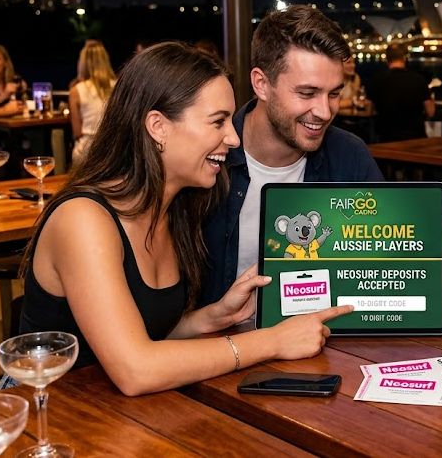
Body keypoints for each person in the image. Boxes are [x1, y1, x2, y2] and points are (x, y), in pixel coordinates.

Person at [18, 42, 352, 396]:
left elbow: (146, 337)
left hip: (114, 407)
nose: (233, 138)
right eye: (218, 121)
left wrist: (208, 318)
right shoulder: (82, 219)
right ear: (158, 127)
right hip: (46, 408)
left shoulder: (176, 209)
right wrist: (272, 341)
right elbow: (136, 370)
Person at [201, 5, 383, 306]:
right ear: (261, 84)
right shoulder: (206, 157)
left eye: (334, 94)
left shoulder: (350, 157)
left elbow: (381, 267)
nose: (325, 112)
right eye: (307, 93)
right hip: (216, 334)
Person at [367, 43, 435, 142]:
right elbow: (430, 112)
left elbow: (369, 110)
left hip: (386, 139)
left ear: (387, 59)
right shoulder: (418, 80)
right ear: (404, 58)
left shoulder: (377, 80)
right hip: (415, 138)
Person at [70, 40, 117, 166]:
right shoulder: (118, 86)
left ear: (82, 64)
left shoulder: (76, 90)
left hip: (88, 152)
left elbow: (77, 132)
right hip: (114, 150)